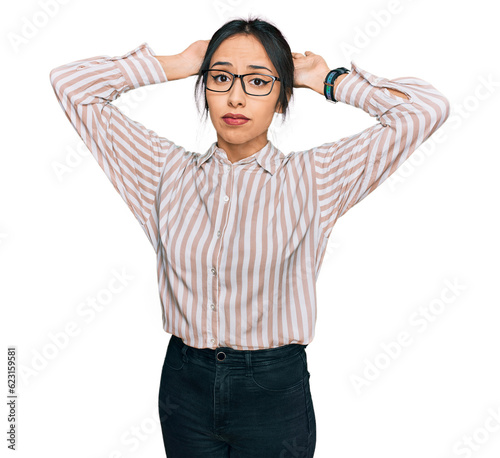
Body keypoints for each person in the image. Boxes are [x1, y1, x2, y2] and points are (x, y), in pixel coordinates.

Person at [49, 15, 450, 458]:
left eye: (259, 82)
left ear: (282, 98)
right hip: (184, 381)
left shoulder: (314, 179)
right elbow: (71, 85)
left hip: (273, 390)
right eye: (220, 78)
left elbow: (424, 110)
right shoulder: (163, 172)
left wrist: (326, 78)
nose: (236, 97)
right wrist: (179, 63)